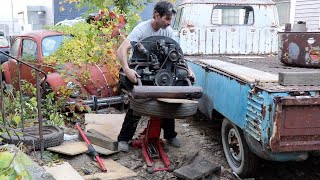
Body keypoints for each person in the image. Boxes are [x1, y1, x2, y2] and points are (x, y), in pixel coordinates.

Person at [117, 1, 194, 152]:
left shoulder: (168, 31)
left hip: (162, 73)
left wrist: (188, 69)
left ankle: (170, 135)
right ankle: (124, 139)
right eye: (166, 19)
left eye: (170, 19)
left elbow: (177, 56)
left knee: (168, 101)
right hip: (142, 72)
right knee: (137, 102)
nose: (168, 23)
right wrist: (127, 69)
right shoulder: (141, 29)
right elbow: (122, 49)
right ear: (156, 15)